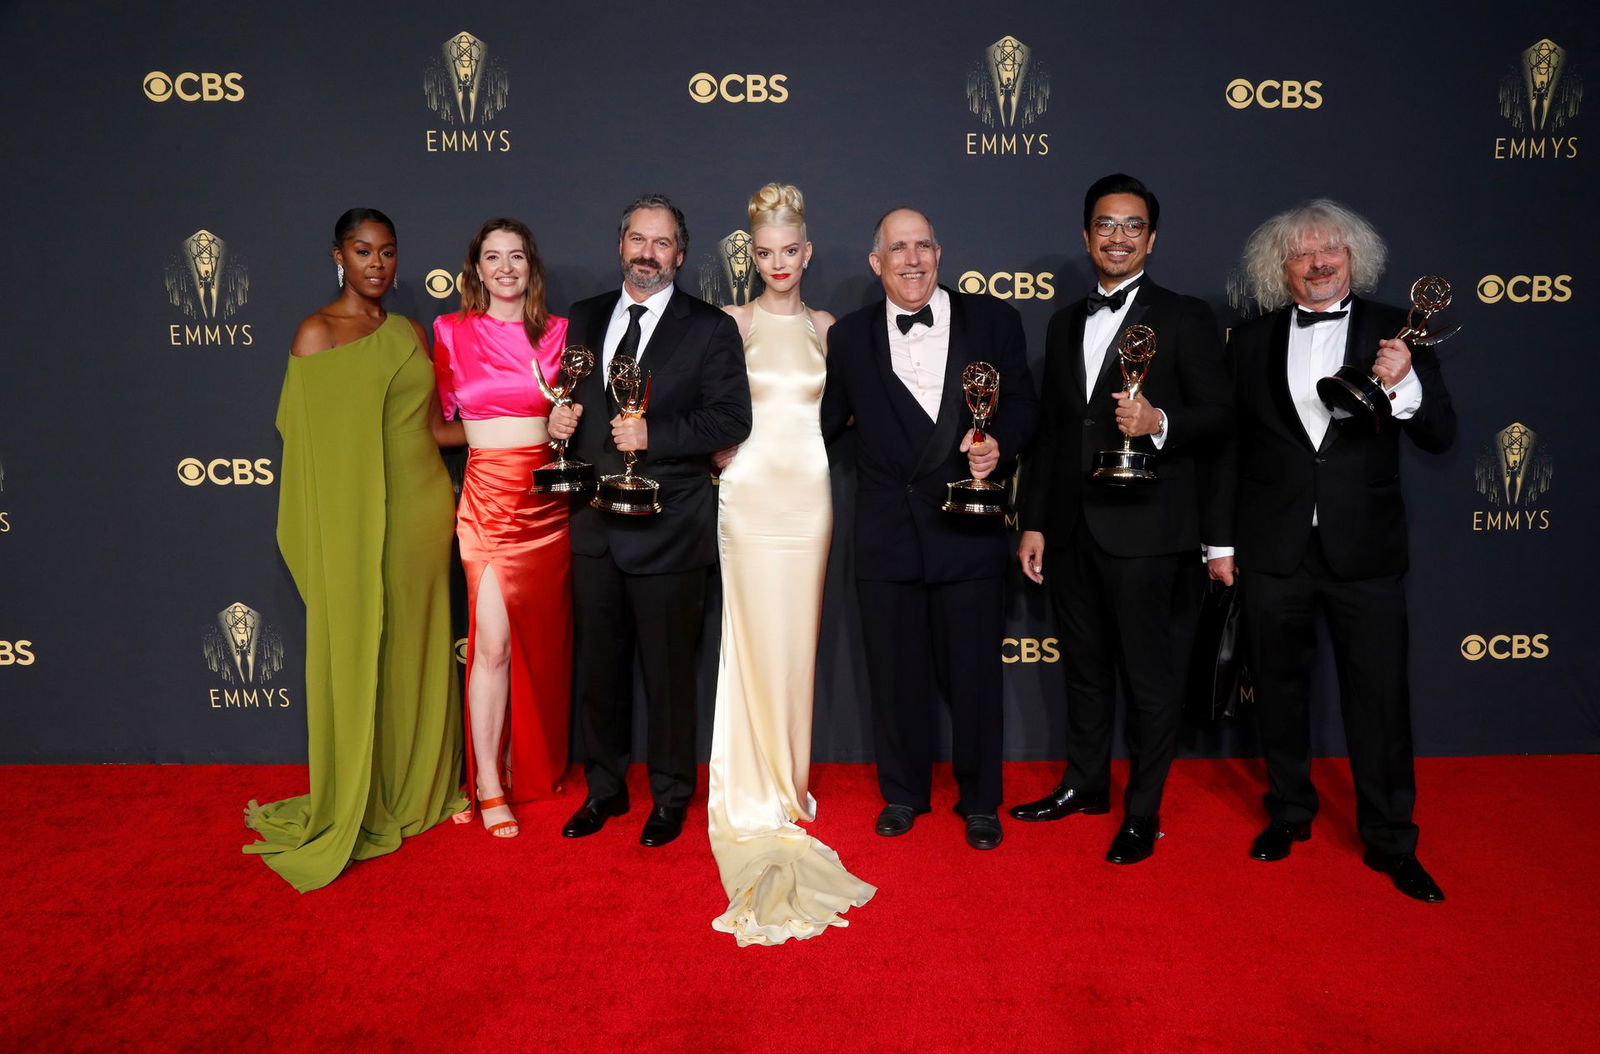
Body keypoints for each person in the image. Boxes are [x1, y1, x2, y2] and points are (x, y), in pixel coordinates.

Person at [1207, 199, 1455, 902]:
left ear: (1354, 258)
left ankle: (1390, 840)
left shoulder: (1396, 331)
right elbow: (1230, 449)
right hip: (1272, 547)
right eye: (1302, 254)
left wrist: (1404, 381)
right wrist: (1219, 542)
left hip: (1365, 553)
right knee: (1279, 695)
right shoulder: (1249, 341)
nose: (1318, 265)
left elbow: (1441, 433)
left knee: (1378, 701)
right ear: (1278, 267)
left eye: (1331, 253)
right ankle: (1288, 813)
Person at [1011, 174, 1231, 864]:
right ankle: (1084, 786)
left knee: (1148, 680)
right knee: (1083, 670)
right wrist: (1036, 521)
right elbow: (1052, 433)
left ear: (1152, 239)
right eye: (1106, 225)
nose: (1117, 237)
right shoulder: (1063, 321)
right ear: (1086, 236)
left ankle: (1142, 811)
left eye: (1132, 226)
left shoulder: (1187, 316)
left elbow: (1221, 417)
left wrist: (1159, 421)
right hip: (1073, 532)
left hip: (1148, 531)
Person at [245, 208, 466, 892]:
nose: (377, 263)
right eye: (363, 250)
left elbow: (433, 428)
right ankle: (363, 795)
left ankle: (418, 786)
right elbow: (308, 449)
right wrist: (333, 527)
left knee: (416, 644)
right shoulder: (316, 333)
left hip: (422, 508)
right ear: (338, 256)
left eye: (388, 252)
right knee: (363, 644)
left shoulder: (406, 332)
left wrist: (518, 423)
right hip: (352, 521)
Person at [821, 207, 1037, 851]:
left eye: (923, 248)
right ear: (875, 262)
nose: (912, 261)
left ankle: (980, 802)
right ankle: (903, 794)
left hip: (967, 526)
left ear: (939, 254)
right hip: (887, 530)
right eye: (898, 249)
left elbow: (1025, 404)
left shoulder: (994, 320)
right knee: (894, 675)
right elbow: (824, 428)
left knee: (975, 676)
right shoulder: (850, 337)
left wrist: (998, 443)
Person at [549, 194, 751, 848]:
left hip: (670, 527)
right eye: (638, 239)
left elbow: (730, 420)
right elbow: (566, 399)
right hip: (595, 532)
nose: (647, 253)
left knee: (669, 677)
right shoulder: (581, 318)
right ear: (621, 245)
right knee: (598, 675)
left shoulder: (709, 327)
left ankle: (669, 797)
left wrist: (652, 433)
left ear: (681, 256)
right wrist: (558, 421)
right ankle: (603, 790)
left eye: (661, 244)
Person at [706, 183, 875, 944]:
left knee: (797, 645)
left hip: (808, 497)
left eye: (790, 251)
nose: (778, 263)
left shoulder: (828, 326)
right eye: (765, 253)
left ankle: (788, 783)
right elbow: (708, 402)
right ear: (755, 255)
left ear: (807, 253)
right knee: (750, 638)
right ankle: (752, 789)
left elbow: (846, 410)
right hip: (745, 496)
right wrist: (715, 449)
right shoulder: (730, 323)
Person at [432, 218, 573, 839]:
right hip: (487, 501)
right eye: (493, 257)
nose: (506, 268)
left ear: (530, 266)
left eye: (516, 256)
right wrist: (492, 445)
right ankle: (487, 781)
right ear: (477, 269)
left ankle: (529, 765)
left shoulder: (561, 335)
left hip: (547, 508)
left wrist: (560, 427)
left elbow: (573, 421)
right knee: (489, 645)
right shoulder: (451, 331)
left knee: (536, 645)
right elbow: (439, 425)